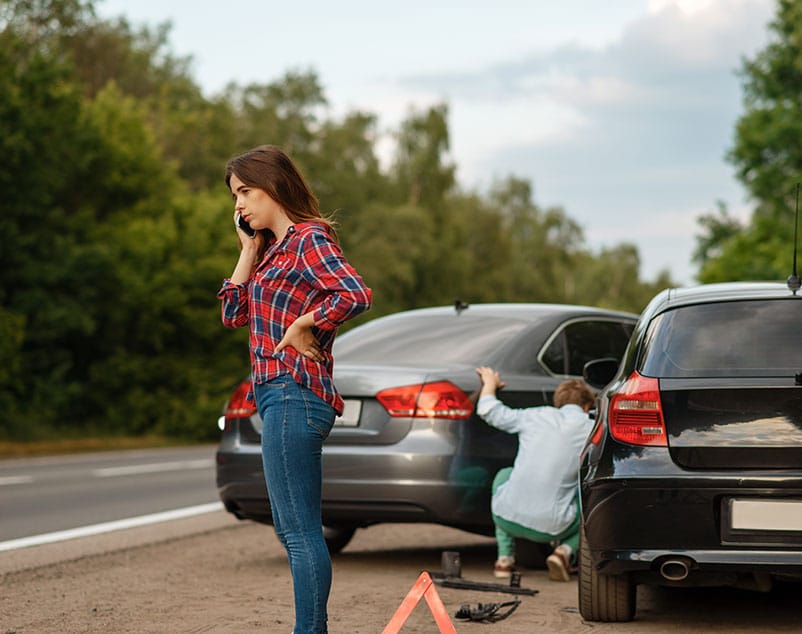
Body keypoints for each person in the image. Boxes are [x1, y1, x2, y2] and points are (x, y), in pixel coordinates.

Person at [217, 145, 372, 633]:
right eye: (233, 195)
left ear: (274, 185)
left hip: (293, 390)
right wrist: (247, 251)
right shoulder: (272, 252)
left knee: (301, 534)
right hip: (278, 395)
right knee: (295, 532)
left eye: (245, 191)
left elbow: (355, 293)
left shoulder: (308, 238)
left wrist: (307, 322)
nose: (238, 205)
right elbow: (232, 314)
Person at [474, 366, 595, 582]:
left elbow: (488, 411)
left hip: (505, 517)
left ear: (557, 403)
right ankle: (565, 552)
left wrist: (490, 383)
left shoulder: (535, 415)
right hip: (553, 528)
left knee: (504, 475)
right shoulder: (591, 427)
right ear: (587, 406)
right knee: (592, 497)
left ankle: (504, 560)